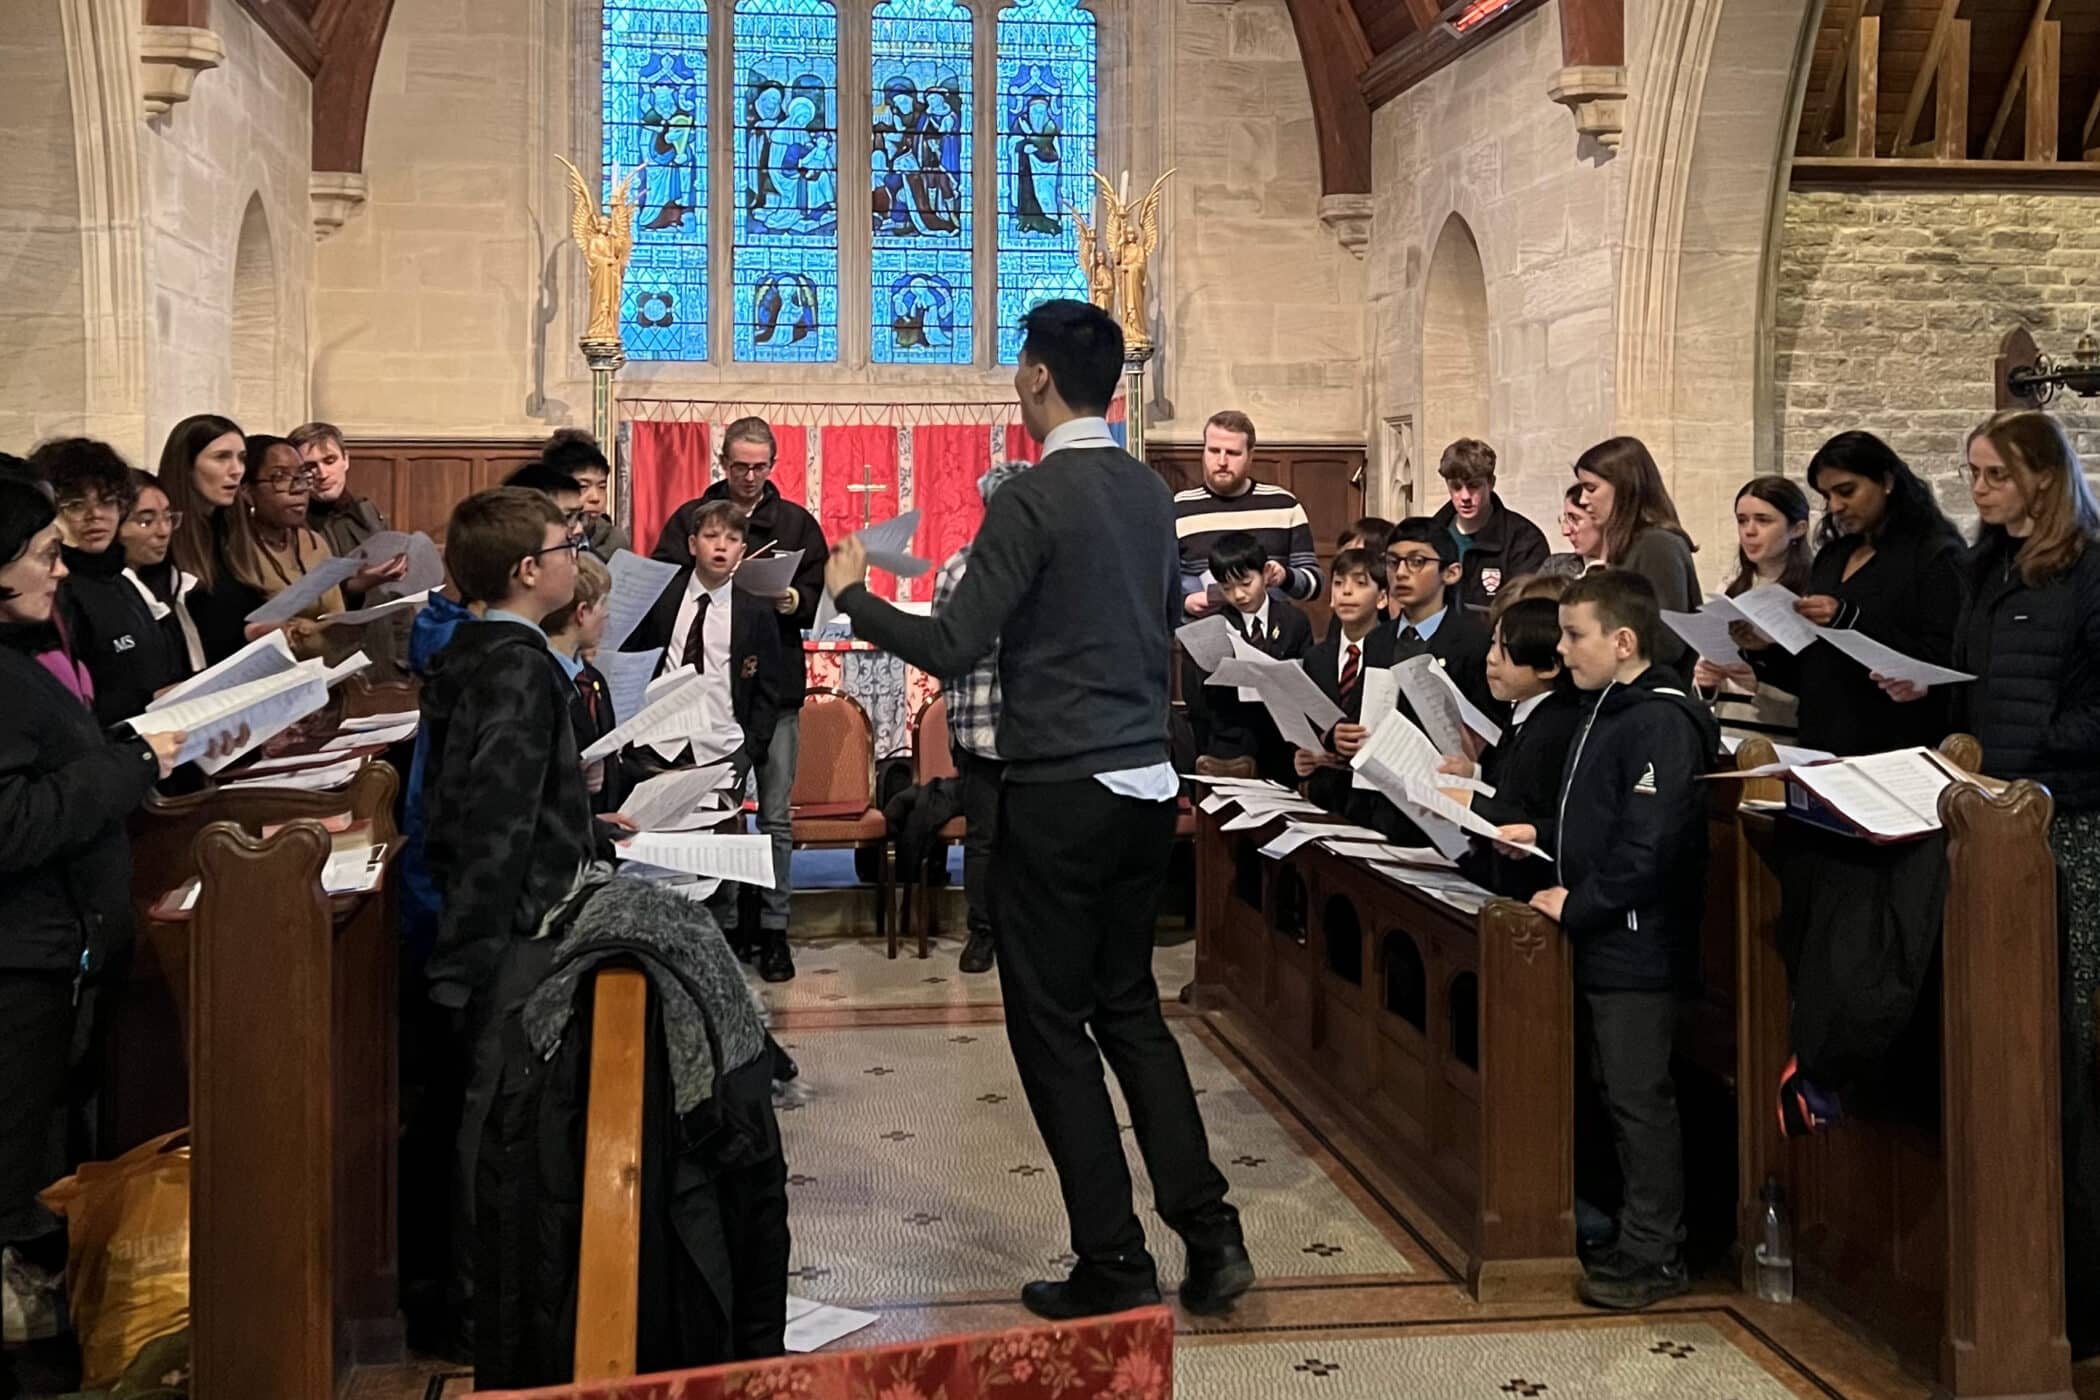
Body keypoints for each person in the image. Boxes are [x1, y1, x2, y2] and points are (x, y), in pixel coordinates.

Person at [823, 299, 1249, 1320]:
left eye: (1020, 364)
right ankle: (1212, 1233)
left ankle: (1113, 1256)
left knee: (1051, 1025)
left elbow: (952, 645)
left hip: (1061, 786)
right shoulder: (1152, 493)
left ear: (1035, 378)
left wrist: (850, 592)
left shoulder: (1035, 497)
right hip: (1146, 779)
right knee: (1130, 1010)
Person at [1883, 411, 2100, 1353]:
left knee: (2073, 1046)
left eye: (1994, 474)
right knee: (2007, 1033)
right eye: (1970, 474)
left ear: (2044, 477)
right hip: (1984, 810)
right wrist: (1928, 696)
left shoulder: (2089, 570)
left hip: (2068, 824)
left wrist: (2025, 759)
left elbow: (2093, 706)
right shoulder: (1987, 566)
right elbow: (1979, 681)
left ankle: (2081, 1284)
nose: (1978, 489)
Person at [0, 478, 189, 1400]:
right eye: (42, 552)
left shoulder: (19, 655)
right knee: (17, 1181)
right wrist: (130, 762)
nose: (60, 567)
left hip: (48, 954)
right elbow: (15, 824)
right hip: (18, 963)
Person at [1497, 569, 1720, 1310]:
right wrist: (1544, 835)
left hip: (1636, 938)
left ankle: (1656, 1252)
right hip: (1605, 927)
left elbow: (1650, 847)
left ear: (1623, 641)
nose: (1563, 650)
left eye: (1574, 635)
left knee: (1637, 1096)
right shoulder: (1606, 708)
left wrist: (1581, 904)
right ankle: (1624, 1226)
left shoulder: (1659, 717)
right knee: (1610, 1088)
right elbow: (1600, 820)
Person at [419, 486, 600, 1341]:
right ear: (530, 571)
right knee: (495, 1118)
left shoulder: (475, 650)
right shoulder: (520, 668)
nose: (576, 558)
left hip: (492, 924)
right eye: (567, 547)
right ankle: (483, 1308)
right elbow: (496, 820)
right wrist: (492, 946)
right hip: (509, 936)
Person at [652, 419, 826, 964]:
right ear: (722, 463)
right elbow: (660, 588)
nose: (749, 477)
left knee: (774, 816)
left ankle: (774, 929)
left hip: (774, 686)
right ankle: (722, 924)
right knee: (714, 812)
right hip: (704, 696)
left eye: (759, 467)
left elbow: (817, 588)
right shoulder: (692, 516)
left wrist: (793, 599)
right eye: (739, 467)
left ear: (773, 465)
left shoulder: (795, 522)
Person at [624, 501, 790, 978]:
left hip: (721, 744)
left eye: (733, 539)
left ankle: (717, 949)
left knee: (717, 852)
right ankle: (662, 951)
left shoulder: (754, 611)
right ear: (693, 543)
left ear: (744, 550)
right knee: (662, 850)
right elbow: (637, 662)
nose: (721, 546)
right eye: (712, 537)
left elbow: (767, 692)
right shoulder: (664, 597)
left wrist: (747, 752)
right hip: (661, 744)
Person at [1741, 432, 1965, 758]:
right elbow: (1815, 671)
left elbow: (1946, 658)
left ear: (1887, 481)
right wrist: (1762, 649)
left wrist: (1848, 617)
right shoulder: (1834, 556)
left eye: (1846, 491)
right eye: (1826, 495)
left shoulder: (1935, 555)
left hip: (1894, 743)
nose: (1835, 506)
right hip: (1821, 742)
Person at [929, 460, 1030, 976]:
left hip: (1039, 729)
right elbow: (943, 648)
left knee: (1036, 836)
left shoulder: (1056, 564)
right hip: (979, 721)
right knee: (985, 836)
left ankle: (1031, 931)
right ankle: (983, 931)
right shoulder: (959, 569)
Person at [1439, 597, 1582, 899]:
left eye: (1505, 650)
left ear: (1550, 666)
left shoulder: (1556, 726)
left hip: (1529, 890)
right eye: (1492, 644)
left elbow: (1526, 810)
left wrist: (1462, 801)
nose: (1491, 659)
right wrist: (1473, 773)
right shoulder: (1526, 713)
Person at [30, 439, 177, 728]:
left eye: (107, 501)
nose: (95, 515)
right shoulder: (53, 590)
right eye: (75, 504)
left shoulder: (123, 580)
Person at [1183, 531, 1313, 783]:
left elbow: (1307, 682)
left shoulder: (1293, 621)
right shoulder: (1214, 626)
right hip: (1229, 750)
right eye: (1227, 587)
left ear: (1265, 574)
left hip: (1281, 746)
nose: (1239, 595)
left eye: (1245, 583)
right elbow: (1198, 701)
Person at [1695, 476, 1812, 743]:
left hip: (1782, 738)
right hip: (1727, 733)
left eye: (1763, 520)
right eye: (1742, 520)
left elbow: (1818, 688)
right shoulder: (1730, 587)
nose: (1749, 530)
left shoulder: (1810, 594)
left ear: (1798, 528)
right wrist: (1706, 681)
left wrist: (1761, 682)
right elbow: (1710, 665)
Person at [1573, 437, 1701, 673]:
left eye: (1591, 488)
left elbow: (1667, 641)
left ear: (1625, 487)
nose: (1583, 500)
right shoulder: (1627, 543)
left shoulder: (1658, 544)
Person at [1174, 411, 1320, 616]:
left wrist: (1286, 577)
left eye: (1232, 453)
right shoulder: (1178, 508)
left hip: (1272, 641)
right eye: (1214, 450)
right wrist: (1185, 603)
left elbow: (1315, 585)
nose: (1222, 461)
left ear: (1251, 455)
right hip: (1205, 638)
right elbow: (1158, 584)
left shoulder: (1284, 505)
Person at [1292, 546, 1394, 815]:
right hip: (1325, 795)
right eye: (1339, 583)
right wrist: (1305, 755)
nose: (1346, 592)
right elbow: (1308, 726)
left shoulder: (1394, 654)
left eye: (1360, 584)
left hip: (1376, 799)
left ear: (1382, 598)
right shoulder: (1316, 657)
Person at [158, 412, 262, 665]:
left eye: (241, 458)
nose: (236, 470)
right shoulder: (163, 539)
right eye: (221, 458)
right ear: (187, 466)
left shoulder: (233, 531)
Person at [1383, 516, 1496, 721]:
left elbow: (1488, 724)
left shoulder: (1474, 642)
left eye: (1416, 562)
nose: (1400, 573)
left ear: (1451, 573)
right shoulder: (1377, 638)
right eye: (1392, 562)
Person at [1431, 438, 1551, 614]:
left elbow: (1527, 611)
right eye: (1456, 487)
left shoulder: (1524, 539)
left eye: (1473, 486)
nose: (1465, 496)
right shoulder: (1430, 535)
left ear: (1491, 483)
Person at [543, 553, 621, 815]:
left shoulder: (592, 679)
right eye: (603, 604)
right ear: (582, 613)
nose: (607, 614)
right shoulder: (542, 678)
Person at [117, 467, 204, 677]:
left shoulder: (173, 582)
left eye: (168, 517)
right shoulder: (109, 596)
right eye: (146, 521)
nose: (164, 531)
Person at [542, 428, 631, 558]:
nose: (596, 498)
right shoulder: (538, 537)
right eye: (583, 486)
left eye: (602, 486)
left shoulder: (615, 540)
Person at [1543, 482, 1607, 579]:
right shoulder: (1554, 569)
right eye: (1565, 519)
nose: (1565, 531)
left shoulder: (1634, 568)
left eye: (1574, 519)